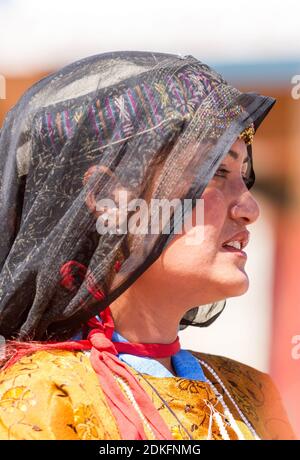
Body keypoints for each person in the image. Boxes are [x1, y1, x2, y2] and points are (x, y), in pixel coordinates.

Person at [0, 51, 294, 440]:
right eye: (215, 172)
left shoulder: (249, 394)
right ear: (109, 198)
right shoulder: (41, 398)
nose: (250, 208)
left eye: (243, 175)